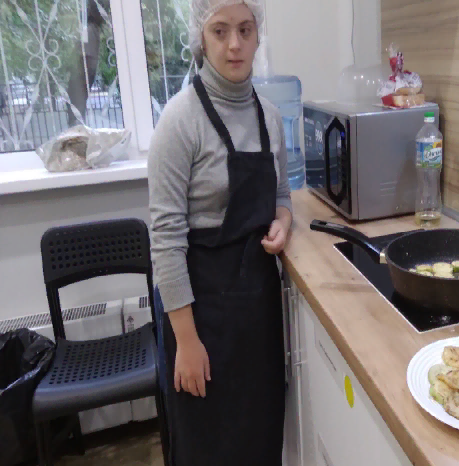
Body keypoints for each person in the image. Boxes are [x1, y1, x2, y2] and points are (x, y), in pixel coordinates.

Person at [147, 1, 292, 464]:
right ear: (201, 38)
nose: (235, 45)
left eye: (245, 30)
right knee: (208, 448)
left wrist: (284, 222)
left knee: (260, 442)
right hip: (201, 319)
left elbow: (282, 193)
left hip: (258, 316)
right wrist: (187, 343)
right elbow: (165, 240)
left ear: (257, 34)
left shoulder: (270, 116)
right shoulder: (179, 121)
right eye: (220, 31)